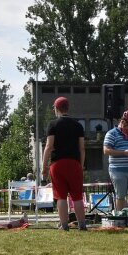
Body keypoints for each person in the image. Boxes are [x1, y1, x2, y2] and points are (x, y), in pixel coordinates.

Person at [42, 96, 86, 231]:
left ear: (56, 109)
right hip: (74, 163)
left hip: (57, 164)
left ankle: (64, 225)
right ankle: (82, 225)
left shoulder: (53, 125)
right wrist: (81, 165)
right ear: (67, 108)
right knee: (77, 196)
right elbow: (82, 148)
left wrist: (44, 167)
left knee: (60, 196)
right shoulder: (78, 125)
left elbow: (49, 147)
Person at [103, 109, 128, 213]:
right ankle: (121, 220)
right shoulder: (111, 134)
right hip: (117, 170)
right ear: (123, 123)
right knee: (120, 197)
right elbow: (106, 151)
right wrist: (123, 153)